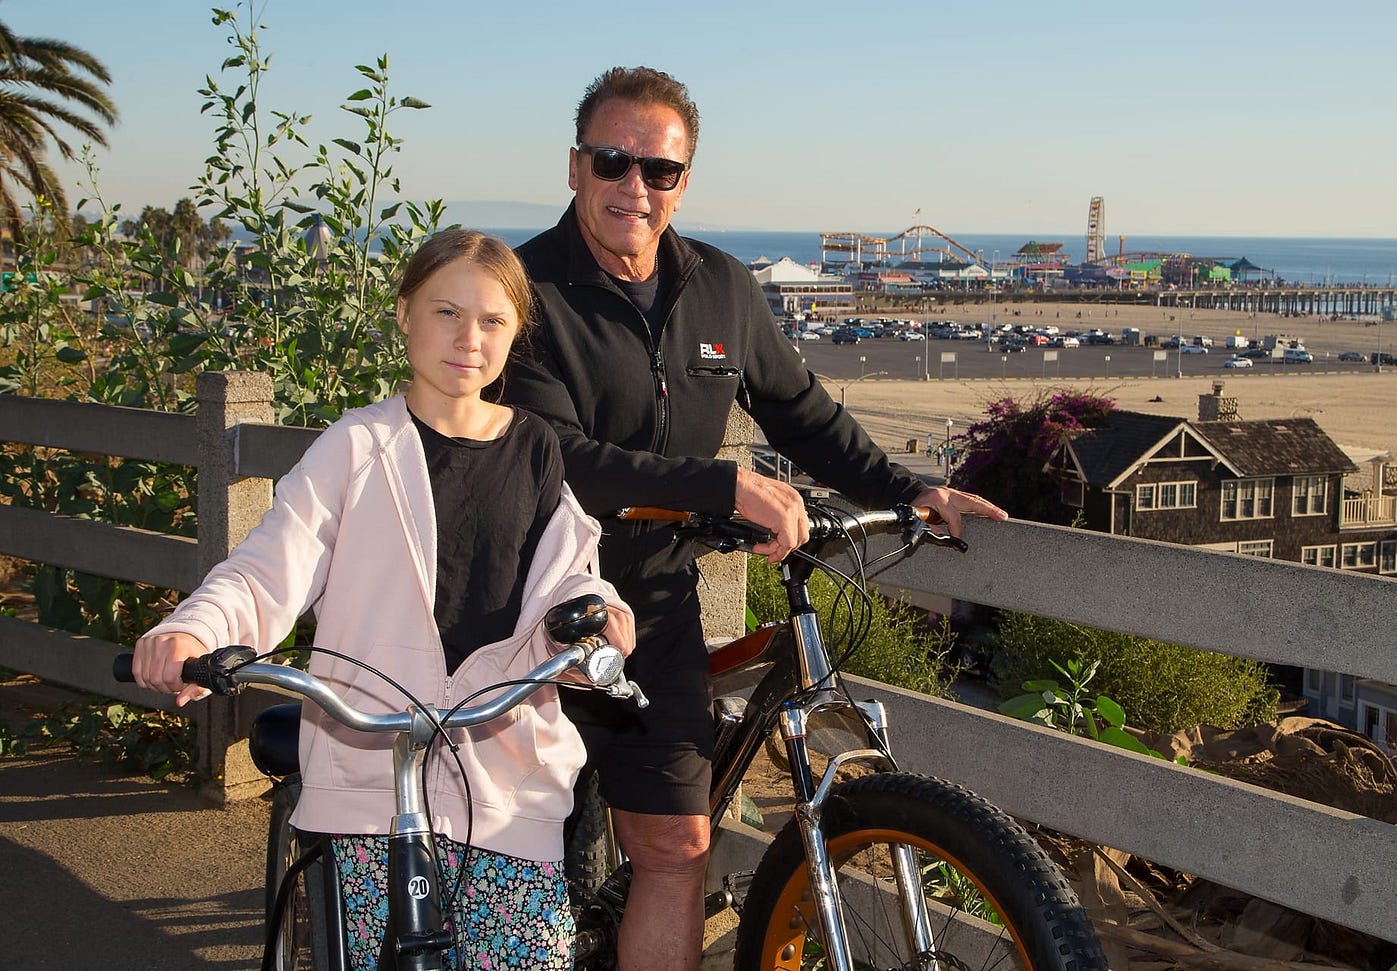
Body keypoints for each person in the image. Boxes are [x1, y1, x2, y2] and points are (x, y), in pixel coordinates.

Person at [501, 66, 1009, 971]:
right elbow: (559, 458)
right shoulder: (524, 290)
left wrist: (906, 491)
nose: (635, 187)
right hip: (530, 602)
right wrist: (726, 487)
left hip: (655, 605)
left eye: (659, 170)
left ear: (684, 181)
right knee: (511, 848)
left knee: (675, 849)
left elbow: (802, 410)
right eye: (613, 162)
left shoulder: (722, 286)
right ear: (574, 167)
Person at [131, 230, 634, 971]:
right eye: (446, 312)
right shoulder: (356, 446)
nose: (469, 338)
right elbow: (272, 566)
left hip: (504, 780)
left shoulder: (535, 447)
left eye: (493, 320)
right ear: (403, 313)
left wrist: (598, 613)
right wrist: (193, 628)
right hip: (374, 784)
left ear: (515, 333)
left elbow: (568, 570)